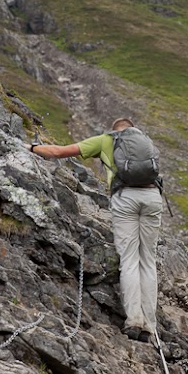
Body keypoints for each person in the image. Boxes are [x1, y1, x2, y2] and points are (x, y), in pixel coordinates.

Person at [27, 117, 162, 343]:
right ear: (132, 127)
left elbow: (60, 152)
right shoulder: (145, 142)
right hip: (152, 197)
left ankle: (134, 321)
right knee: (147, 261)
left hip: (125, 197)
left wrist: (32, 147)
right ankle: (149, 326)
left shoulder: (106, 140)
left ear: (115, 129)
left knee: (129, 260)